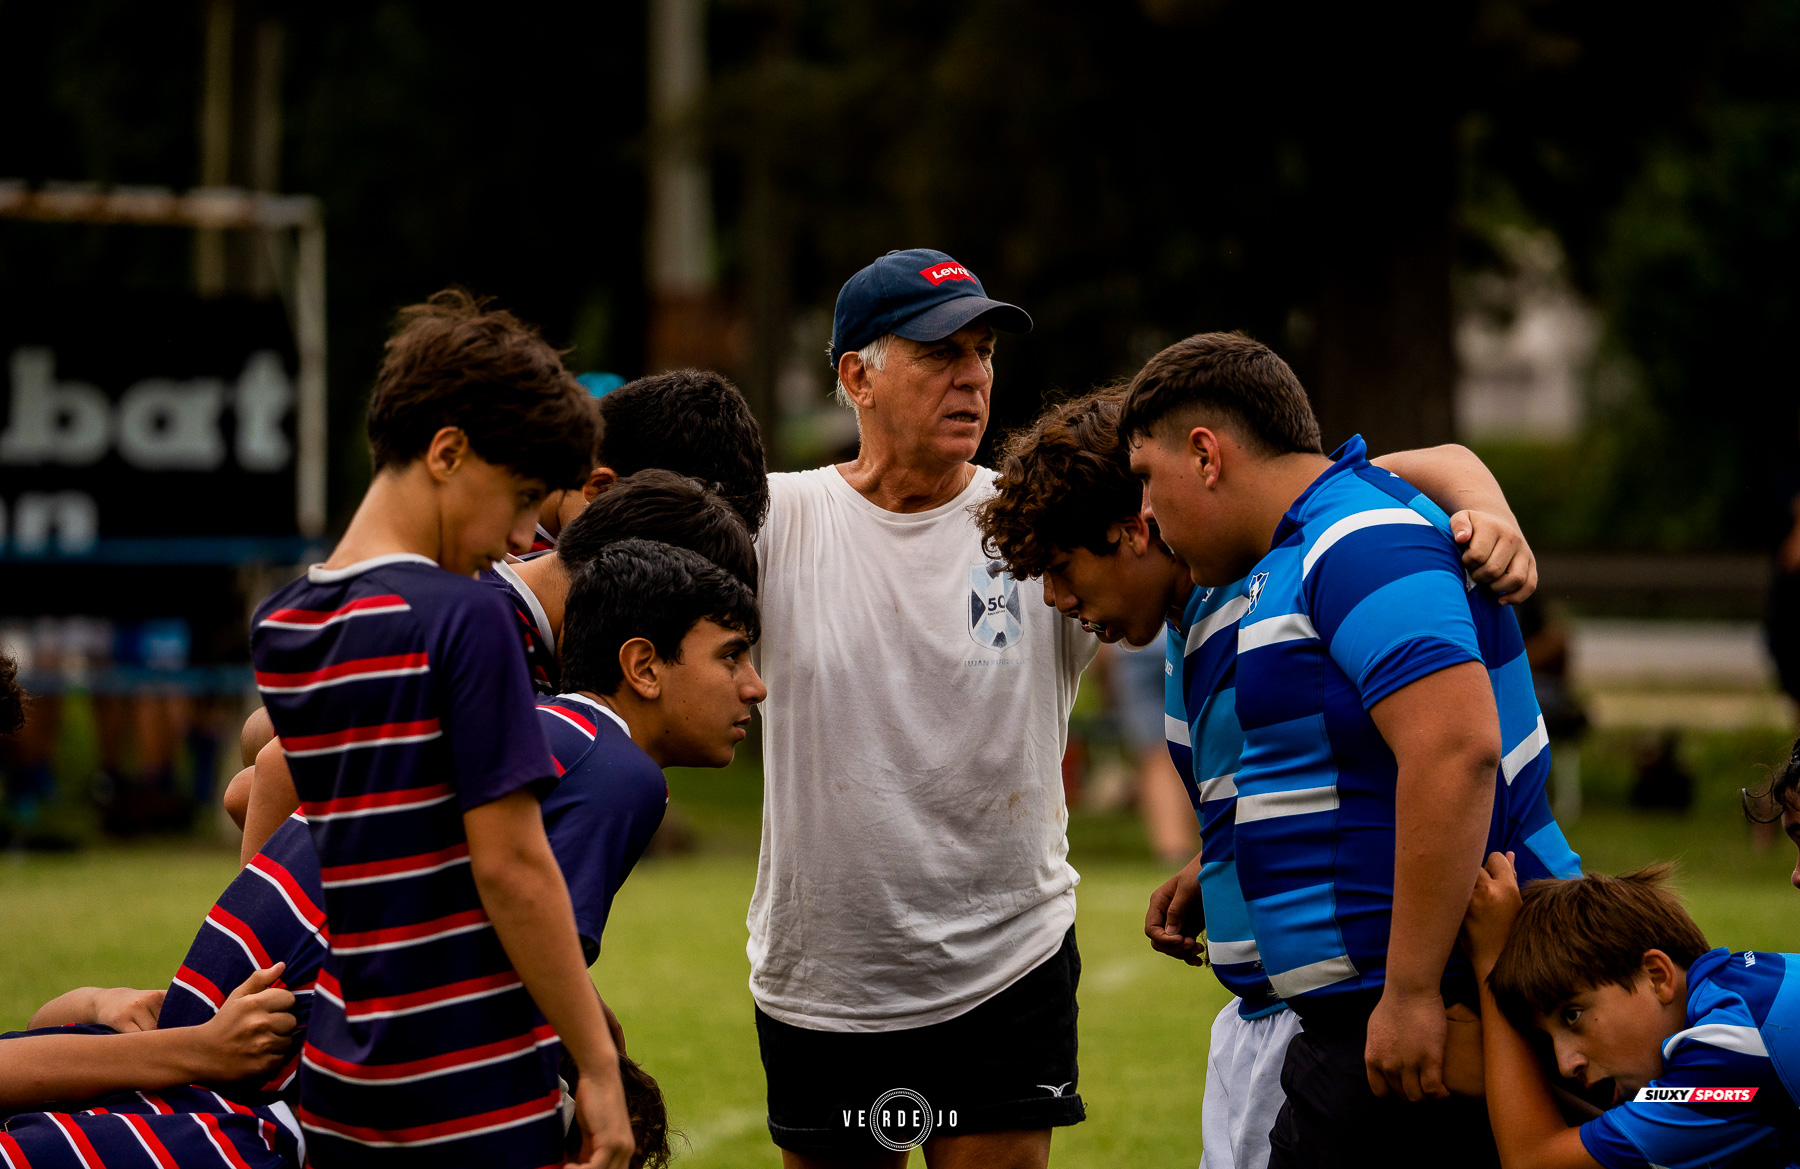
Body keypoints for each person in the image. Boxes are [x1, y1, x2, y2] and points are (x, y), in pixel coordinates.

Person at [973, 388, 1539, 1169]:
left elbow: (1418, 471)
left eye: (1063, 567)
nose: (1054, 599)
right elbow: (1314, 774)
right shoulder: (1201, 606)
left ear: (1140, 524)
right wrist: (1220, 865)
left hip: (1365, 1003)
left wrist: (1487, 508)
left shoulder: (1285, 559)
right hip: (1282, 1011)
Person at [1121, 332, 1581, 1168]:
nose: (1145, 512)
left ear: (1205, 454)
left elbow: (1456, 751)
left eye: (1146, 476)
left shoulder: (1356, 537)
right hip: (1372, 1006)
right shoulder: (1305, 543)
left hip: (1429, 999)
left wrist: (1408, 991)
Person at [247, 289, 632, 1168]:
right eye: (521, 495)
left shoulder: (287, 623)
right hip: (467, 1078)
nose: (520, 535)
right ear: (448, 451)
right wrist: (598, 1063)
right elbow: (511, 863)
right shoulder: (464, 617)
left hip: (341, 1075)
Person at [751, 248, 1090, 1168]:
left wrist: (1463, 484)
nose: (973, 377)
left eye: (982, 353)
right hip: (828, 982)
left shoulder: (1036, 524)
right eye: (942, 353)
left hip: (1006, 965)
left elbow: (1247, 501)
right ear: (856, 375)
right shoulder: (776, 522)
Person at [1462, 855, 1800, 1169]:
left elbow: (1532, 1161)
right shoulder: (1742, 992)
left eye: (1571, 1015)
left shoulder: (1731, 1049)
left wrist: (1490, 957)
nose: (1567, 1064)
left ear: (1657, 975)